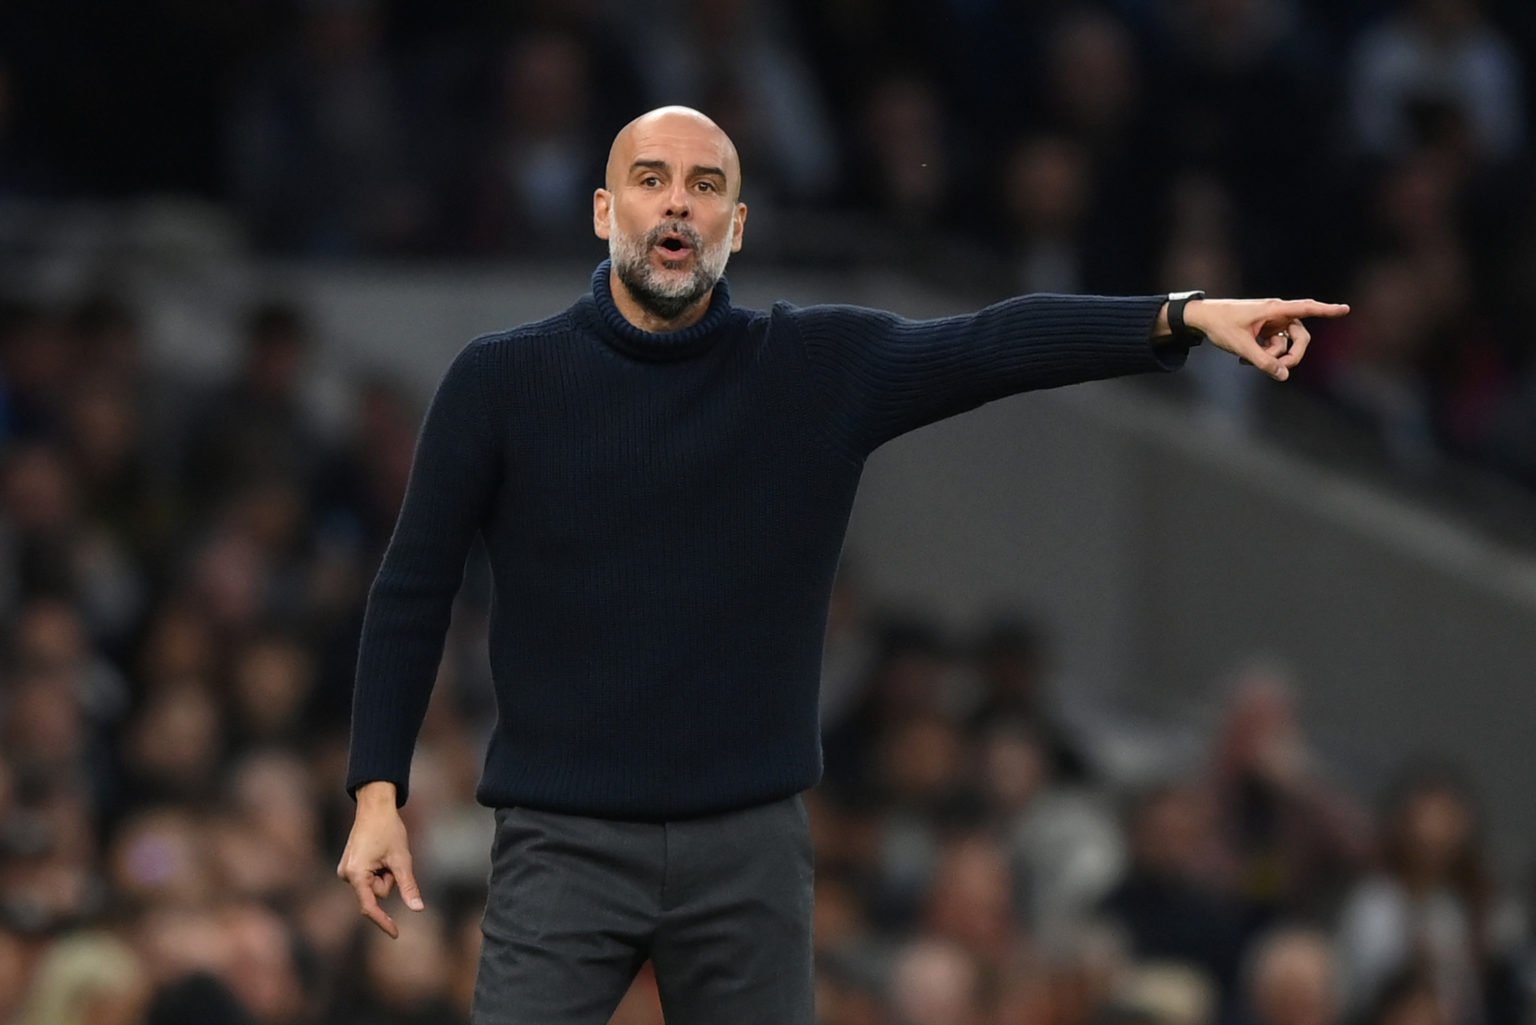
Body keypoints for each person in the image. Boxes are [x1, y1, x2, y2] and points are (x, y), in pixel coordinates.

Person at [335, 105, 1350, 1025]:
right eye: (651, 180)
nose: (676, 204)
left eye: (706, 186)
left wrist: (1178, 315)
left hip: (748, 853)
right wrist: (378, 790)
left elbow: (994, 342)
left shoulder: (816, 367)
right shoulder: (502, 378)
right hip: (561, 842)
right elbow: (413, 583)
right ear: (605, 210)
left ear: (740, 224)